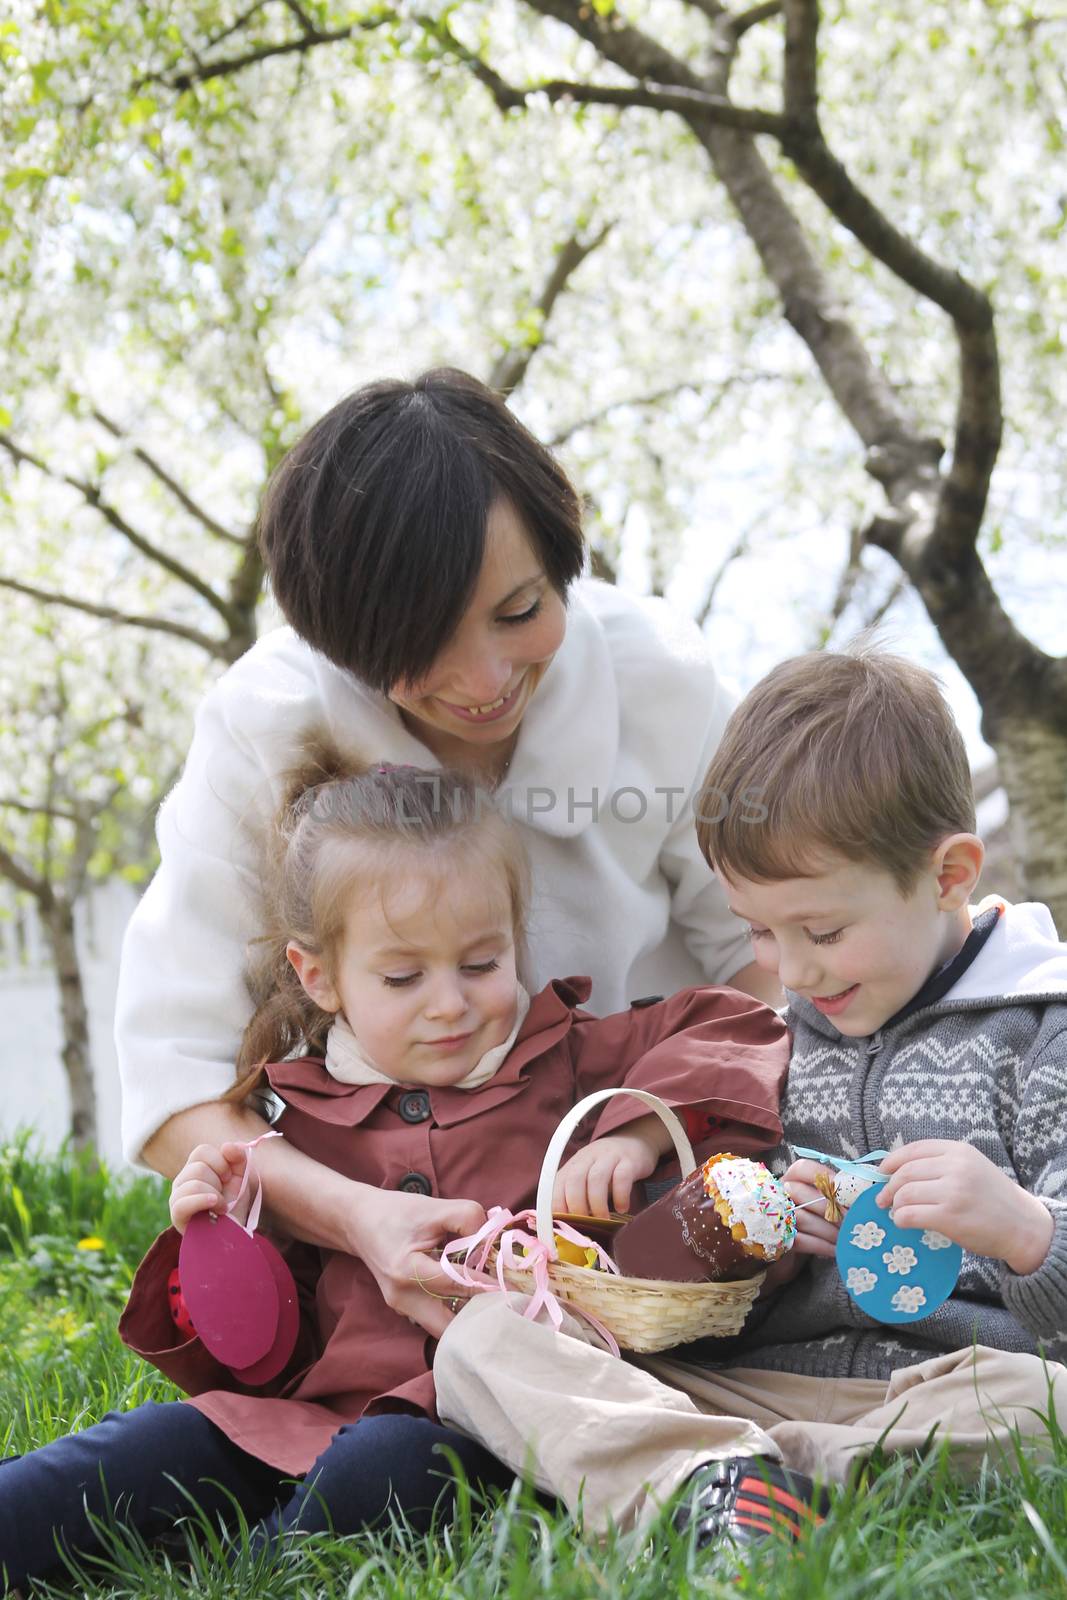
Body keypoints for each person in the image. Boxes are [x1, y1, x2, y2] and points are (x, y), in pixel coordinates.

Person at [0, 755, 790, 1590]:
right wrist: (219, 1239)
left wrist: (629, 1135)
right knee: (138, 1450)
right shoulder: (297, 1122)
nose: (448, 1003)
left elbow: (735, 1023)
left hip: (476, 1427)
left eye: (481, 964)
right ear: (320, 977)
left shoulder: (571, 1059)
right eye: (403, 977)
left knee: (386, 1474)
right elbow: (261, 1352)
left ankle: (243, 1569)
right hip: (293, 1418)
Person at [115, 368, 777, 1353]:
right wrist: (353, 1216)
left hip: (629, 1213)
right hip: (376, 1230)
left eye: (518, 612)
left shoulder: (655, 684)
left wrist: (647, 1131)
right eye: (421, 645)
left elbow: (766, 959)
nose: (482, 682)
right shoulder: (267, 722)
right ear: (338, 641)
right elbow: (174, 1075)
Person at [434, 647, 1067, 1553]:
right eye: (758, 932)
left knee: (1045, 1405)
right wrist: (747, 1246)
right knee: (484, 1341)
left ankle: (718, 1481)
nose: (791, 969)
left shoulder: (1042, 1034)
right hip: (758, 1378)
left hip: (950, 1389)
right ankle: (727, 1476)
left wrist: (1021, 1229)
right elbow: (708, 1281)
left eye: (822, 931)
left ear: (949, 874)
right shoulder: (778, 1037)